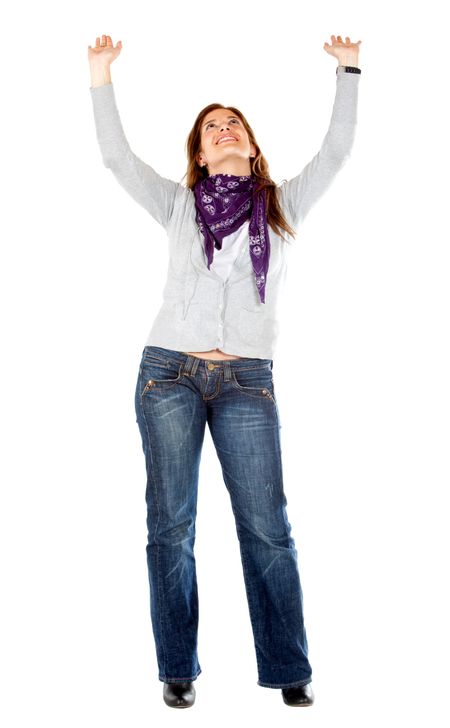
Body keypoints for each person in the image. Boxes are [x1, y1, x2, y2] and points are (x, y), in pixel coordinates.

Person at [88, 32, 362, 709]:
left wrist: (348, 70)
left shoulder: (282, 208)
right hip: (168, 375)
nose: (223, 130)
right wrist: (99, 75)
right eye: (212, 129)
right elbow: (117, 160)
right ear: (202, 155)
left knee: (267, 526)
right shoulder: (179, 207)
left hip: (247, 382)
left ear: (250, 145)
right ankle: (177, 666)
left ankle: (288, 667)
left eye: (232, 124)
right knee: (171, 525)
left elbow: (336, 152)